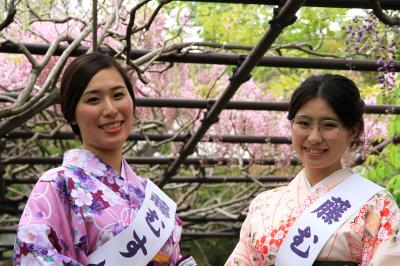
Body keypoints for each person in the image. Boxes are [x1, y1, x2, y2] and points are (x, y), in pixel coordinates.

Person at [14, 53, 188, 265]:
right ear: (71, 114)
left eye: (118, 95)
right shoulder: (57, 184)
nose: (110, 110)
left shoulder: (148, 194)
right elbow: (33, 256)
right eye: (94, 99)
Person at [225, 74, 400, 266]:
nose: (315, 137)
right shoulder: (263, 205)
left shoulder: (377, 205)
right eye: (304, 123)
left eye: (329, 125)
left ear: (354, 130)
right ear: (291, 125)